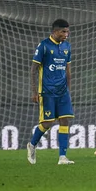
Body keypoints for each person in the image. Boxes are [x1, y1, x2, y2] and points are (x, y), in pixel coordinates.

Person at [27, 19, 75, 165]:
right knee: (47, 123)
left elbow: (67, 69)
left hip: (62, 91)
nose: (66, 34)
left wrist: (68, 88)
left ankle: (62, 157)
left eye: (67, 31)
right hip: (47, 91)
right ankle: (32, 144)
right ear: (54, 31)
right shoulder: (44, 46)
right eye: (63, 31)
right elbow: (33, 70)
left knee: (65, 120)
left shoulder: (67, 46)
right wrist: (34, 91)